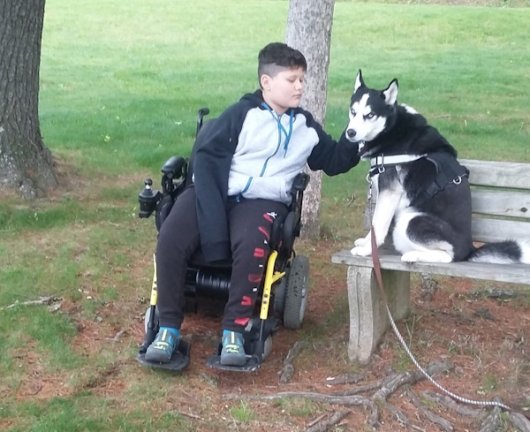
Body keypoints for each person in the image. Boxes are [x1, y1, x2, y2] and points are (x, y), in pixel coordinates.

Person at [145, 42, 360, 366]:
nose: (300, 86)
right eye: (292, 79)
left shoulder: (305, 128)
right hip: (215, 190)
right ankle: (168, 328)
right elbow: (204, 158)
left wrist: (361, 130)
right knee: (171, 238)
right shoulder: (240, 117)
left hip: (263, 199)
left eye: (302, 79)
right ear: (266, 82)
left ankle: (234, 331)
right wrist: (212, 216)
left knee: (253, 245)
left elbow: (335, 160)